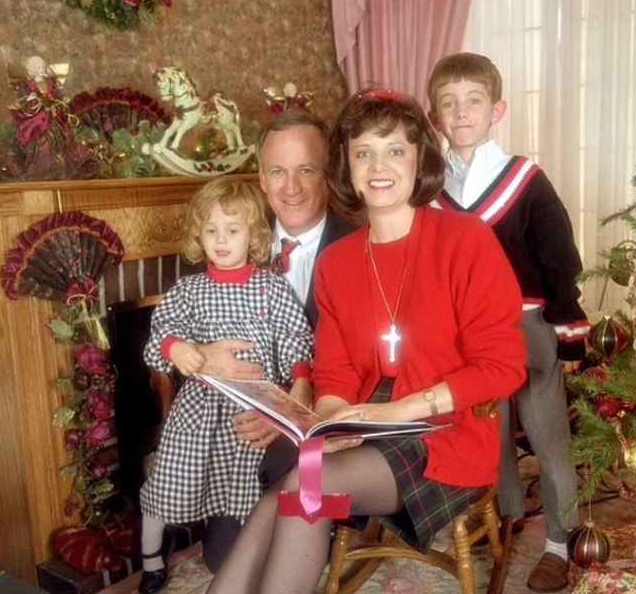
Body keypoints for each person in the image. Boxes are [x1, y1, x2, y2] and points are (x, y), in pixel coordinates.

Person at [206, 89, 526, 594]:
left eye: (395, 150)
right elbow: (335, 374)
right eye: (363, 153)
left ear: (419, 159)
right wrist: (333, 421)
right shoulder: (339, 261)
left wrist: (397, 412)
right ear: (347, 169)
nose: (379, 166)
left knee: (306, 484)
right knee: (285, 496)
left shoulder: (466, 239)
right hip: (368, 425)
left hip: (450, 433)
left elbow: (504, 365)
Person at [427, 52, 589, 592]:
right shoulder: (431, 192)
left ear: (497, 110)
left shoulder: (524, 178)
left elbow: (559, 256)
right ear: (435, 117)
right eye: (448, 103)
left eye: (473, 100)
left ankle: (560, 543)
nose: (461, 111)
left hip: (527, 328)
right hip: (466, 336)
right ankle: (505, 518)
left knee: (547, 437)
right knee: (485, 437)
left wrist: (566, 323)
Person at [138, 178, 314, 594]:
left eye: (232, 230)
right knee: (168, 482)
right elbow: (158, 339)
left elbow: (296, 339)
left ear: (253, 235)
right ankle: (151, 561)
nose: (220, 240)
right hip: (199, 414)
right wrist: (178, 347)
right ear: (198, 235)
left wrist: (301, 381)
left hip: (253, 412)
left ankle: (266, 543)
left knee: (248, 488)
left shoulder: (271, 287)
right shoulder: (189, 289)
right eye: (211, 230)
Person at [200, 109, 355, 572]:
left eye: (307, 169)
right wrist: (204, 356)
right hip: (242, 427)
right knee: (223, 557)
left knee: (275, 556)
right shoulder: (230, 240)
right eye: (278, 172)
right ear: (261, 180)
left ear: (327, 174)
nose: (292, 187)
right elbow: (191, 331)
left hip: (324, 424)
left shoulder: (360, 246)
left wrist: (287, 411)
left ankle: (327, 519)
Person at [4, 55, 97, 180]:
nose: (41, 68)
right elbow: (24, 103)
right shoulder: (26, 86)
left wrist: (60, 101)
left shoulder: (50, 83)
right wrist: (32, 100)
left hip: (53, 118)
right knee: (42, 141)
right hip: (37, 121)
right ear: (31, 69)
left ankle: (60, 163)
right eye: (38, 67)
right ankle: (42, 167)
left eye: (42, 66)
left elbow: (57, 96)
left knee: (62, 137)